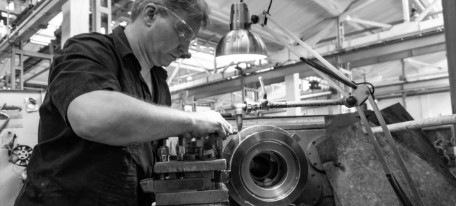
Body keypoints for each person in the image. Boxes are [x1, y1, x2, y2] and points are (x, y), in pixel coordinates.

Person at [15, 0, 232, 205]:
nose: (186, 51)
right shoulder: (89, 50)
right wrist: (191, 121)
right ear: (151, 14)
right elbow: (92, 117)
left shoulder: (159, 82)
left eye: (191, 40)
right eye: (183, 32)